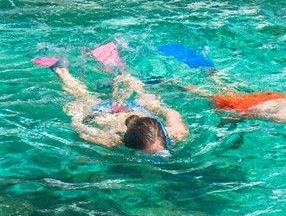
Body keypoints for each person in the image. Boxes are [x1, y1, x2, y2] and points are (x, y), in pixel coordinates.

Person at [44, 57, 187, 155]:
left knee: (145, 96)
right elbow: (81, 131)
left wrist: (157, 107)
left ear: (163, 134)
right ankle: (61, 70)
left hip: (137, 109)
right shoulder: (112, 140)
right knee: (83, 97)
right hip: (104, 114)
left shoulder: (176, 133)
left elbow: (172, 113)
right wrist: (77, 116)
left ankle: (121, 74)